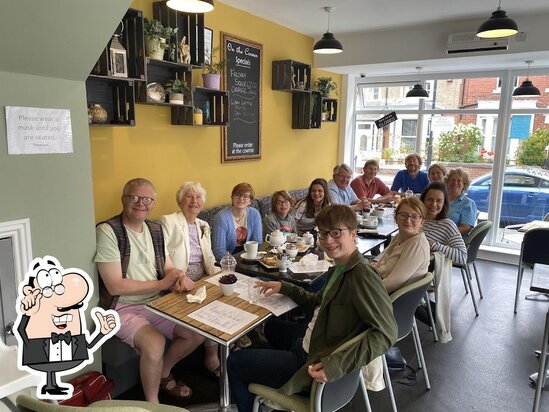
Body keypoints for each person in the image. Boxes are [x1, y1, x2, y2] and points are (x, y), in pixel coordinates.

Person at [227, 205, 397, 412]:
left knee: (235, 361)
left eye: (336, 233)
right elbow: (319, 302)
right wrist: (284, 286)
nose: (328, 240)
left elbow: (387, 334)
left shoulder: (363, 276)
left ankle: (263, 397)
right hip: (312, 339)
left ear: (353, 233)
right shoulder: (340, 267)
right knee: (270, 327)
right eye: (323, 234)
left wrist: (336, 366)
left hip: (310, 361)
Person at [94, 178, 204, 403]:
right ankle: (153, 404)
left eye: (147, 199)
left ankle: (163, 373)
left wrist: (179, 276)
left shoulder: (155, 229)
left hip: (155, 303)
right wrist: (162, 284)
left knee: (197, 332)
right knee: (155, 343)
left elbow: (168, 266)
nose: (141, 203)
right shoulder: (108, 231)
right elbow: (114, 285)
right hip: (120, 307)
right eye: (134, 197)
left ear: (153, 202)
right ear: (123, 199)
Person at [157, 181, 221, 378]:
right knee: (210, 309)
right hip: (178, 282)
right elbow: (162, 255)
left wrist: (220, 273)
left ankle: (212, 354)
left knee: (227, 301)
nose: (194, 201)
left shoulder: (204, 225)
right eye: (189, 196)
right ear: (180, 200)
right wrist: (179, 277)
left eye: (198, 197)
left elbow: (208, 257)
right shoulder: (168, 221)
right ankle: (165, 371)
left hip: (202, 279)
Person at [370, 197, 430, 293]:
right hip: (379, 284)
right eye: (403, 215)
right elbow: (384, 255)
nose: (408, 220)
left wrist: (363, 290)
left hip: (388, 300)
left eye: (414, 216)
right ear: (396, 218)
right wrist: (373, 265)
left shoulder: (417, 245)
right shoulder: (400, 236)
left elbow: (392, 283)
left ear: (422, 221)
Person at [212, 182, 262, 261]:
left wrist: (251, 258)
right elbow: (218, 250)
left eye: (245, 196)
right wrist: (233, 261)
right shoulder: (222, 217)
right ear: (232, 197)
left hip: (249, 258)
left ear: (250, 201)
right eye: (237, 195)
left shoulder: (254, 214)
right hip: (227, 260)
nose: (241, 199)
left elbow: (258, 242)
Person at [420, 182, 467, 265]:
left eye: (439, 201)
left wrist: (434, 245)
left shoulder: (447, 225)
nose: (434, 204)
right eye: (430, 200)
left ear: (444, 204)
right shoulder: (417, 220)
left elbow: (462, 257)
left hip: (423, 271)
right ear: (423, 200)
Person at [446, 168, 478, 236]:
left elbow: (466, 228)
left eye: (459, 181)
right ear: (447, 182)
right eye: (452, 180)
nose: (455, 183)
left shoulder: (468, 203)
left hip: (452, 239)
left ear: (464, 184)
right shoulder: (441, 199)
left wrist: (445, 234)